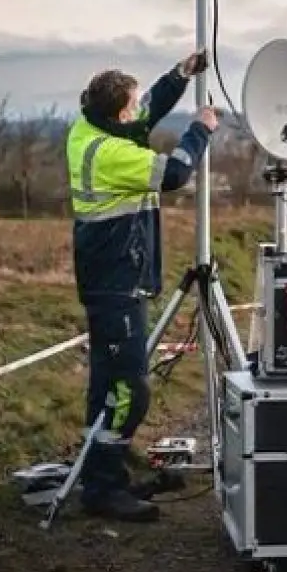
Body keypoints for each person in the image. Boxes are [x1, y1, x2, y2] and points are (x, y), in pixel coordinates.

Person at [66, 54, 217, 522]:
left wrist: (180, 75)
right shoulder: (112, 154)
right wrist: (201, 129)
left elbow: (145, 111)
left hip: (107, 278)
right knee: (130, 390)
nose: (139, 113)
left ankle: (102, 476)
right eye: (131, 106)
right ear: (118, 114)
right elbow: (174, 174)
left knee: (105, 387)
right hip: (117, 283)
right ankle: (105, 488)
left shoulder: (87, 129)